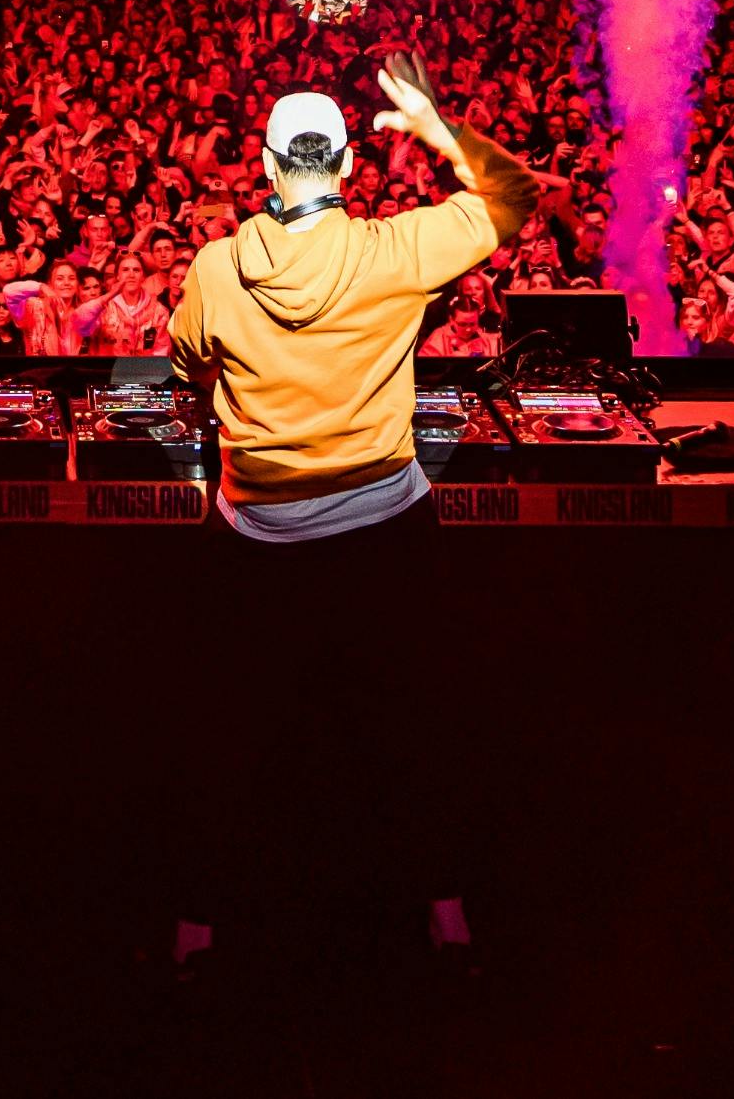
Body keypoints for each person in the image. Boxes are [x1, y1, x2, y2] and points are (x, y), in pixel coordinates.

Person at [166, 56, 539, 970]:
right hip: (385, 534)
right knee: (417, 723)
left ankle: (198, 930)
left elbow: (186, 374)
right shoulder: (397, 252)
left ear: (263, 165)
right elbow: (516, 194)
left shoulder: (218, 269)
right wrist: (431, 120)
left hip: (258, 540)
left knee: (229, 733)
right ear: (343, 168)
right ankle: (446, 914)